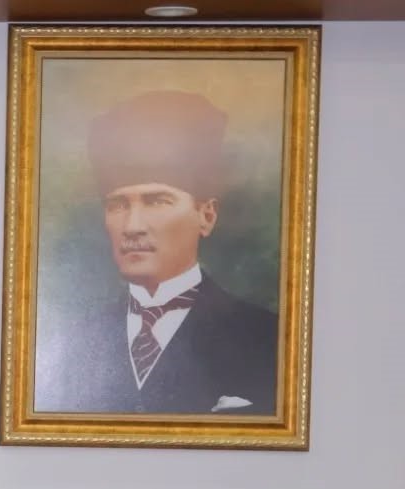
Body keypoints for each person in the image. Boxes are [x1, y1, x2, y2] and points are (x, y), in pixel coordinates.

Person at [34, 89, 280, 416]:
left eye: (156, 201)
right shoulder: (72, 341)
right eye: (117, 205)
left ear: (206, 216)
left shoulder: (266, 338)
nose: (132, 226)